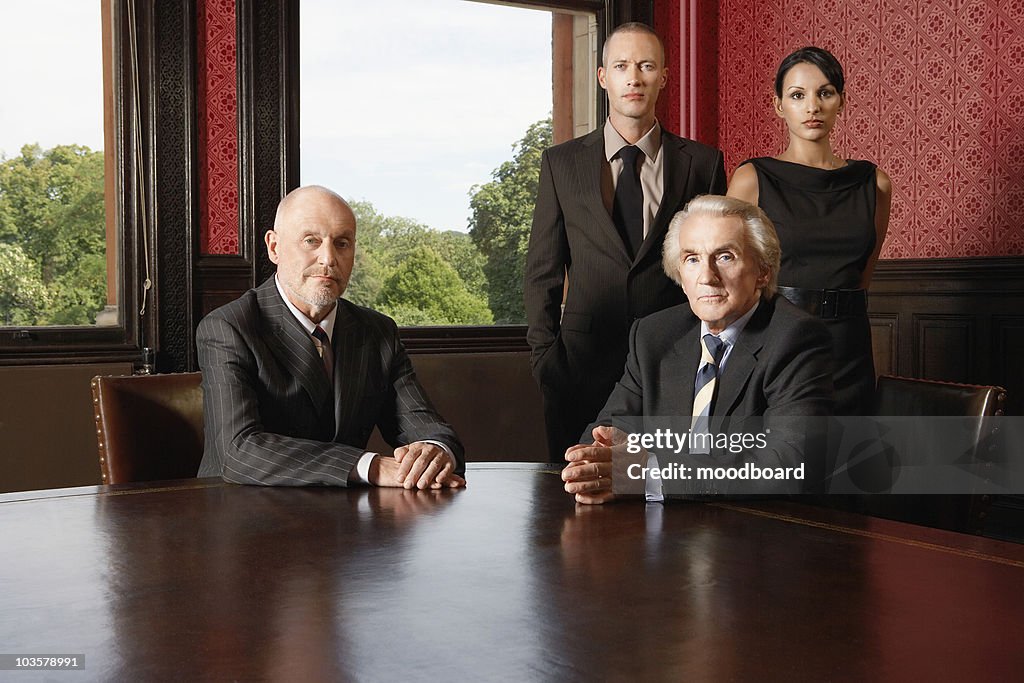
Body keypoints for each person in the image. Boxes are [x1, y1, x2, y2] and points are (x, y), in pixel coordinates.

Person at [525, 22, 727, 462]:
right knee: (574, 495)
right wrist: (545, 358)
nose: (634, 77)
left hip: (672, 361)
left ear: (664, 77)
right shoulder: (561, 163)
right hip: (577, 366)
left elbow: (716, 262)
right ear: (603, 77)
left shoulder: (703, 164)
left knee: (664, 495)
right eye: (621, 66)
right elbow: (542, 269)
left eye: (646, 65)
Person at [562, 195, 834, 504]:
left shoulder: (796, 338)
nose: (707, 276)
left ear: (763, 271)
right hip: (663, 531)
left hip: (758, 534)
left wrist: (651, 471)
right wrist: (597, 459)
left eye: (725, 256)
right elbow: (604, 433)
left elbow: (788, 466)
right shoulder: (653, 335)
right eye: (692, 259)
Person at [197, 185, 465, 489]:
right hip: (242, 513)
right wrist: (369, 466)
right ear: (274, 247)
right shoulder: (228, 327)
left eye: (342, 243)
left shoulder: (378, 332)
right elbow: (240, 451)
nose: (328, 258)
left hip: (346, 520)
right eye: (311, 241)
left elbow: (424, 425)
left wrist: (435, 452)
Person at [727, 46, 892, 416]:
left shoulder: (874, 182)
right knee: (785, 462)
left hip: (850, 345)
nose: (812, 106)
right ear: (778, 105)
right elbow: (730, 273)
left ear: (842, 102)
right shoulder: (753, 178)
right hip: (778, 337)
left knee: (850, 461)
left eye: (825, 93)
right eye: (798, 95)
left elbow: (863, 273)